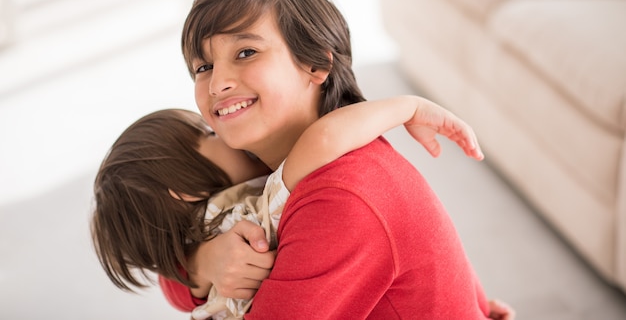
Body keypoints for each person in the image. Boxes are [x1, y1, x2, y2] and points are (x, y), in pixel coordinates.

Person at [161, 0, 515, 319]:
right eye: (203, 66)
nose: (217, 83)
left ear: (315, 65)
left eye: (246, 52)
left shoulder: (340, 195)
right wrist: (203, 263)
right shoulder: (261, 162)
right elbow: (155, 248)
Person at [91, 94, 487, 320]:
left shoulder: (182, 247)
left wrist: (200, 264)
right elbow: (324, 139)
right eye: (208, 133)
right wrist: (409, 108)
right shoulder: (248, 212)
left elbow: (170, 275)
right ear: (180, 192)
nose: (223, 129)